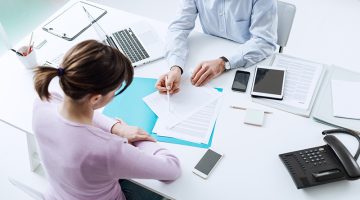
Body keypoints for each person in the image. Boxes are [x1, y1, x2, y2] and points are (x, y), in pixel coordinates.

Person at [32, 40, 181, 200]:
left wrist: (117, 128)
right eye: (115, 90)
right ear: (96, 99)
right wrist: (140, 139)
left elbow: (76, 109)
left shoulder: (43, 102)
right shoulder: (108, 150)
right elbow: (171, 169)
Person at [156, 0, 278, 94]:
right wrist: (176, 67)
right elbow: (178, 27)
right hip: (209, 55)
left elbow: (264, 41)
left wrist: (223, 63)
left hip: (247, 62)